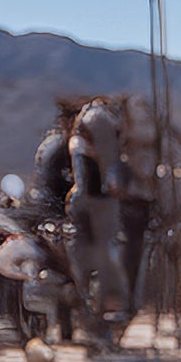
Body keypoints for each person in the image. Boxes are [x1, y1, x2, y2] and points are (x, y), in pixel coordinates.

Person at [68, 99, 131, 321]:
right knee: (104, 255)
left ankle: (90, 305)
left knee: (91, 256)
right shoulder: (99, 119)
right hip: (96, 202)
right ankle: (106, 304)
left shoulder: (83, 131)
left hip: (88, 201)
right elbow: (108, 163)